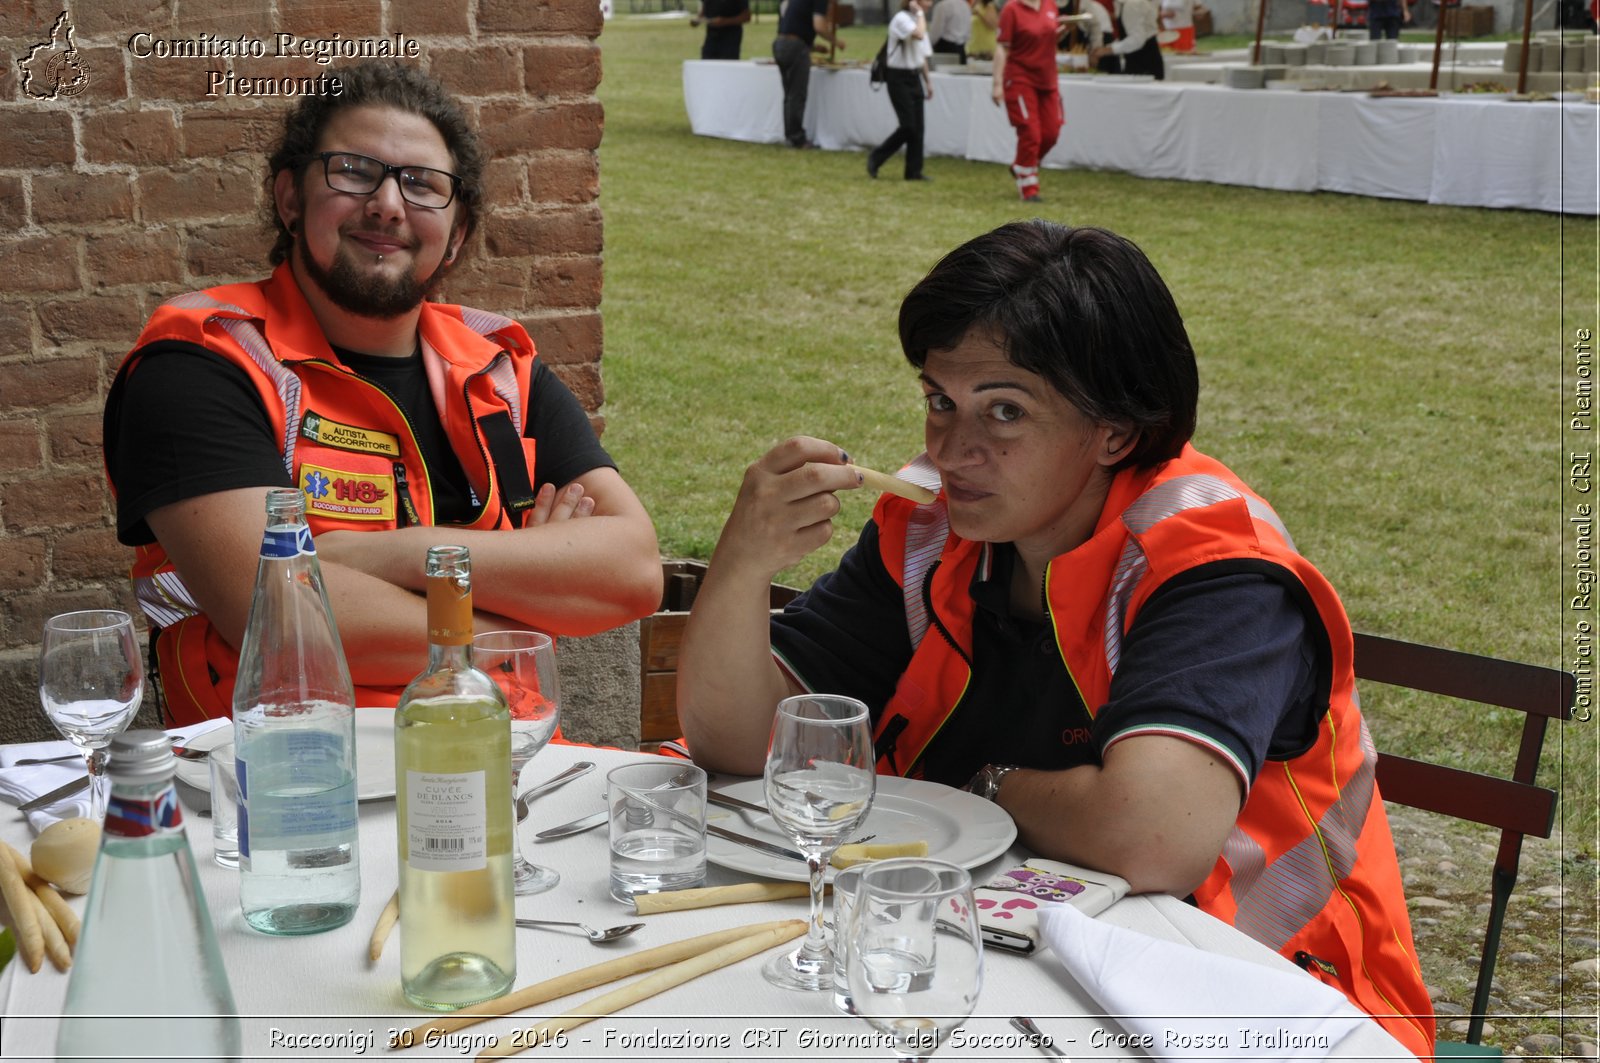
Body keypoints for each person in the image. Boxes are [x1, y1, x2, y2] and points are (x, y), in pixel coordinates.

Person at [675, 221, 1437, 1061]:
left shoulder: (1214, 565)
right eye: (939, 399)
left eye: (1005, 410)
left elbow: (1150, 835)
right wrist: (742, 560)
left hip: (1268, 1006)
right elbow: (742, 742)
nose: (951, 449)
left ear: (1115, 431)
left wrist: (985, 786)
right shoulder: (934, 529)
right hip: (1005, 971)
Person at [103, 61, 663, 725]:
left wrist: (379, 554)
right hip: (288, 788)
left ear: (455, 236)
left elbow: (633, 571)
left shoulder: (501, 372)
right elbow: (281, 616)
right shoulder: (201, 361)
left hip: (505, 774)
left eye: (422, 185)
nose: (388, 203)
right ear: (290, 199)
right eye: (353, 171)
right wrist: (517, 623)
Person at [991, 0, 1067, 201]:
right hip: (1020, 79)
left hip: (1048, 79)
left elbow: (1048, 38)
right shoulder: (1011, 9)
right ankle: (1029, 188)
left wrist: (1063, 31)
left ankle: (1021, 165)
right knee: (1030, 133)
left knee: (1051, 132)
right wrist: (997, 83)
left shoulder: (1050, 5)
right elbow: (1002, 47)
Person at [867, 0, 936, 181]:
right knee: (908, 125)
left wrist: (928, 82)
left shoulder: (919, 20)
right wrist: (920, 14)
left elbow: (921, 56)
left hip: (914, 77)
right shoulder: (902, 19)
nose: (931, 3)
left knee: (918, 128)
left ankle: (914, 171)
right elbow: (919, 35)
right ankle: (877, 157)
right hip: (898, 77)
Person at [772, 0, 846, 149]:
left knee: (789, 94)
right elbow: (819, 26)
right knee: (797, 94)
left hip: (780, 43)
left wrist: (812, 47)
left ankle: (790, 135)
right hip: (795, 47)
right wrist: (836, 41)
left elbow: (793, 26)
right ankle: (797, 138)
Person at [1089, 0, 1165, 77]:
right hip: (1136, 61)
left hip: (1145, 62)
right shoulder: (1121, 4)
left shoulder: (1132, 4)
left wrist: (1108, 50)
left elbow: (1137, 40)